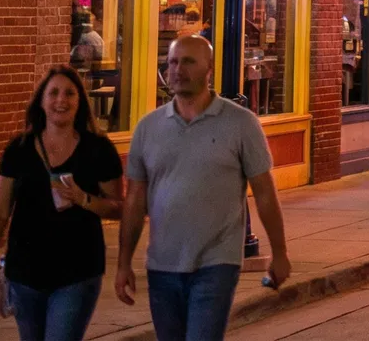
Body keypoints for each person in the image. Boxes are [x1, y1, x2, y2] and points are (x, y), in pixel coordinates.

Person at [116, 36, 288, 341]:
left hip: (216, 263)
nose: (178, 69)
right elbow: (135, 199)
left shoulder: (241, 124)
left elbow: (264, 191)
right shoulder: (148, 128)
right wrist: (123, 262)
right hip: (162, 264)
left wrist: (279, 252)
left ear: (209, 68)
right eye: (172, 62)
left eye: (188, 61)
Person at [0, 67, 123, 341]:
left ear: (80, 101)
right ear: (41, 101)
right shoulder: (19, 149)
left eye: (69, 93)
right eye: (53, 93)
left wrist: (84, 199)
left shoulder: (98, 150)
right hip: (25, 274)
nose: (61, 100)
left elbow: (118, 206)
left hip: (77, 273)